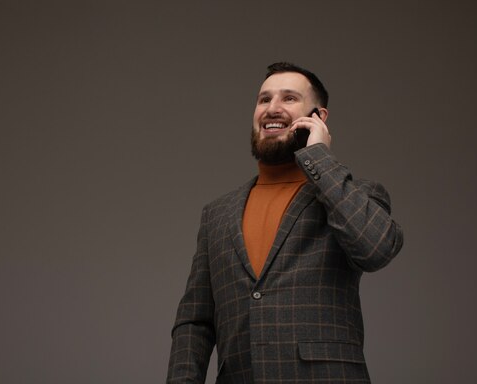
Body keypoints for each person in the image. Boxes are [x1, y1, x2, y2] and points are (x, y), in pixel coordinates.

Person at [166, 62, 404, 383]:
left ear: (318, 117)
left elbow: (377, 248)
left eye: (289, 99)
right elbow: (195, 321)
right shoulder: (217, 214)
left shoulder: (353, 194)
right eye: (264, 99)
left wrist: (318, 155)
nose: (272, 109)